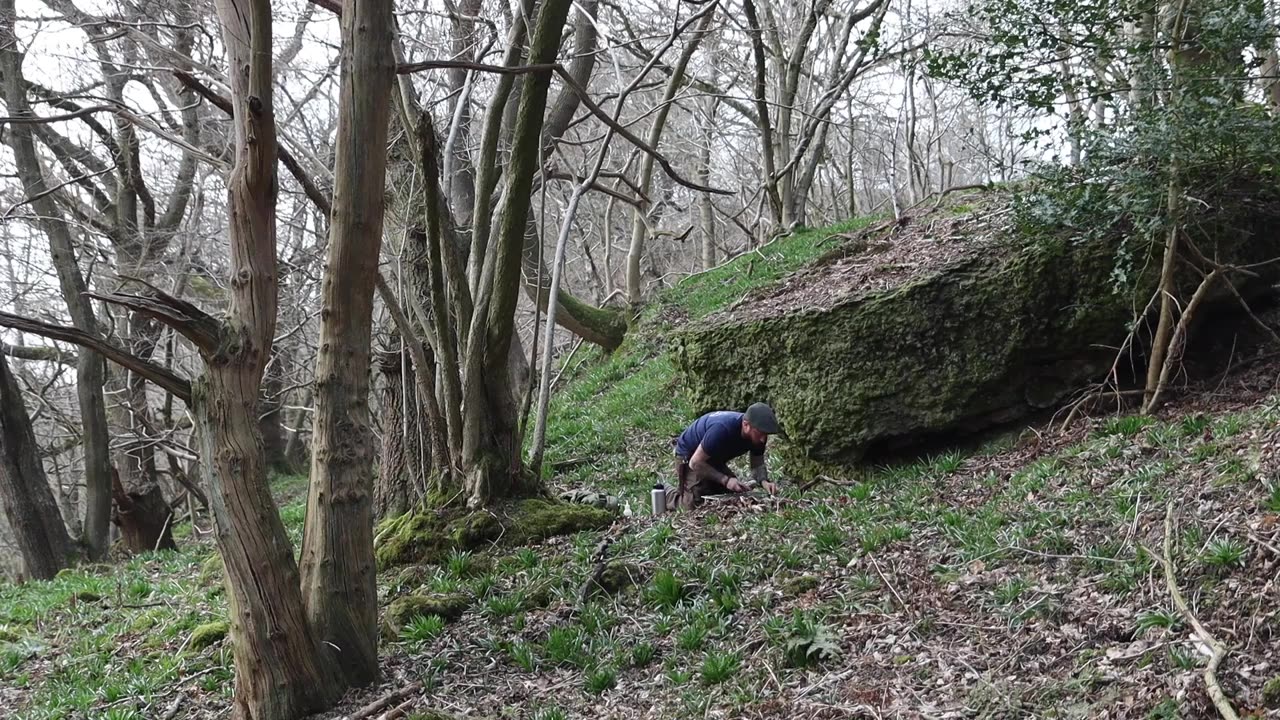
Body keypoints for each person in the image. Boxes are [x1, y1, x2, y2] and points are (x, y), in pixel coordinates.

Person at [668, 403, 783, 511]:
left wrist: (764, 482)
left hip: (714, 457)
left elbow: (757, 463)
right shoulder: (722, 430)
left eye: (766, 434)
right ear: (746, 425)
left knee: (731, 494)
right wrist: (725, 480)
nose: (763, 439)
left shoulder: (758, 436)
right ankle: (666, 493)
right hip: (690, 456)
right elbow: (695, 463)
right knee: (693, 504)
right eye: (760, 433)